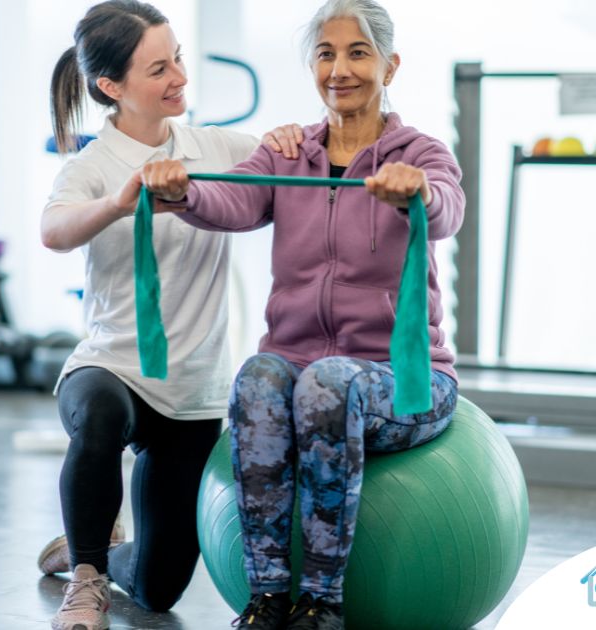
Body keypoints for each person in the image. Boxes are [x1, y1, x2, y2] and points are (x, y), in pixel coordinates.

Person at [140, 1, 463, 628]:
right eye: (325, 53)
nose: (340, 69)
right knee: (261, 377)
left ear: (390, 65)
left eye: (358, 52)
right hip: (301, 370)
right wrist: (182, 191)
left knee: (325, 385)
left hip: (404, 383)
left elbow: (449, 207)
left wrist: (416, 191)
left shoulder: (420, 153)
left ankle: (322, 603)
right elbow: (229, 196)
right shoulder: (287, 154)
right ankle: (267, 598)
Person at [39, 2, 302, 629]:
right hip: (113, 368)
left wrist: (295, 140)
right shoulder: (91, 167)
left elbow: (289, 163)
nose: (180, 76)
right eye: (159, 68)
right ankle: (86, 577)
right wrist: (117, 203)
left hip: (191, 391)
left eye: (178, 57)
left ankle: (90, 551)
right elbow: (53, 230)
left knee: (159, 591)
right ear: (112, 87)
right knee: (98, 416)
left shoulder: (215, 147)